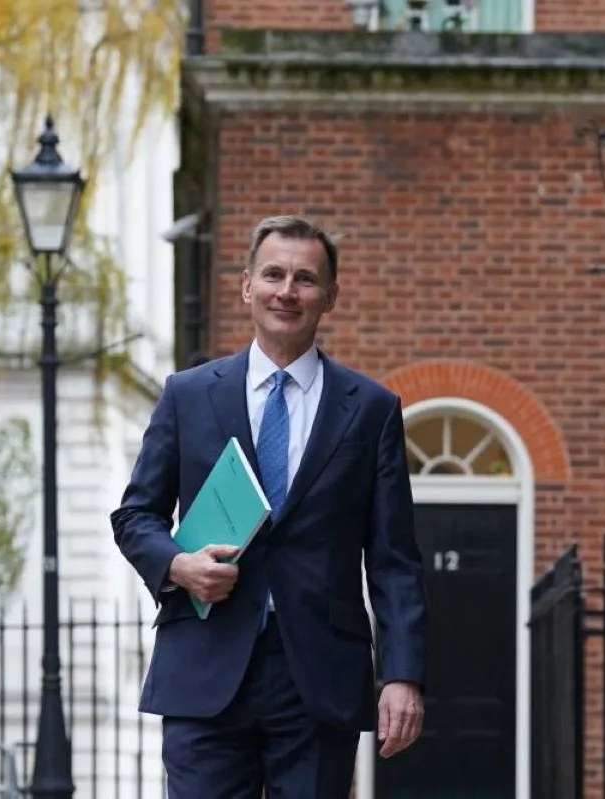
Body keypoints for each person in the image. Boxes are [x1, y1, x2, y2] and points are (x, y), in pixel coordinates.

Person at [110, 215, 428, 798]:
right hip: (205, 662)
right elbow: (135, 517)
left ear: (330, 296)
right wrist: (178, 566)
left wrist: (403, 674)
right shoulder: (188, 393)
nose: (288, 291)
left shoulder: (372, 409)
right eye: (274, 274)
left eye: (306, 279)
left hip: (318, 672)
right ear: (247, 285)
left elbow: (393, 558)